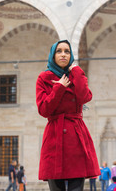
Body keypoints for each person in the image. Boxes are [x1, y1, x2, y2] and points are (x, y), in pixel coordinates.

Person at [36, 40, 101, 191]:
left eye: (67, 51)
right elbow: (43, 110)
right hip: (54, 137)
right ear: (53, 55)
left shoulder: (77, 75)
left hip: (76, 137)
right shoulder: (44, 78)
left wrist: (77, 72)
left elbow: (85, 97)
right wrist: (58, 88)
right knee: (56, 187)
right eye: (59, 51)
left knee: (76, 187)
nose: (63, 54)